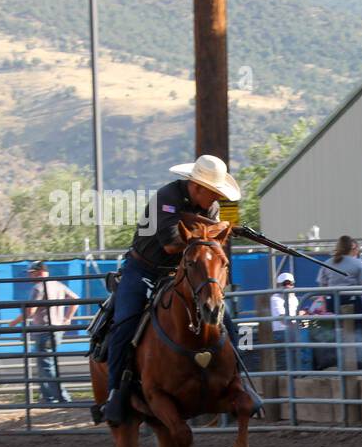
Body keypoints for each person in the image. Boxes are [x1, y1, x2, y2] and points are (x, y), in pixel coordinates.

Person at [97, 154, 261, 425]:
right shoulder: (166, 199)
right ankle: (116, 393)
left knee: (225, 321)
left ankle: (238, 384)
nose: (217, 200)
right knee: (124, 323)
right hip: (143, 270)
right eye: (214, 193)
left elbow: (208, 247)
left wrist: (220, 230)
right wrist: (218, 228)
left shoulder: (211, 210)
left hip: (182, 273)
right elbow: (172, 244)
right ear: (197, 187)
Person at [9, 261, 80, 404]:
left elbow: (30, 311)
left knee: (46, 366)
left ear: (40, 271)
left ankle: (62, 397)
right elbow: (75, 300)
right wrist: (67, 319)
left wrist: (13, 323)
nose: (30, 276)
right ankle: (48, 397)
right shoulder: (57, 285)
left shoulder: (39, 287)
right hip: (56, 330)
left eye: (32, 273)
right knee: (45, 364)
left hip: (44, 330)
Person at [270, 272, 303, 371]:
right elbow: (283, 320)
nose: (288, 286)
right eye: (285, 284)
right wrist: (300, 317)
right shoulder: (275, 298)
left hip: (292, 332)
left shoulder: (294, 298)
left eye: (290, 283)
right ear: (280, 285)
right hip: (281, 333)